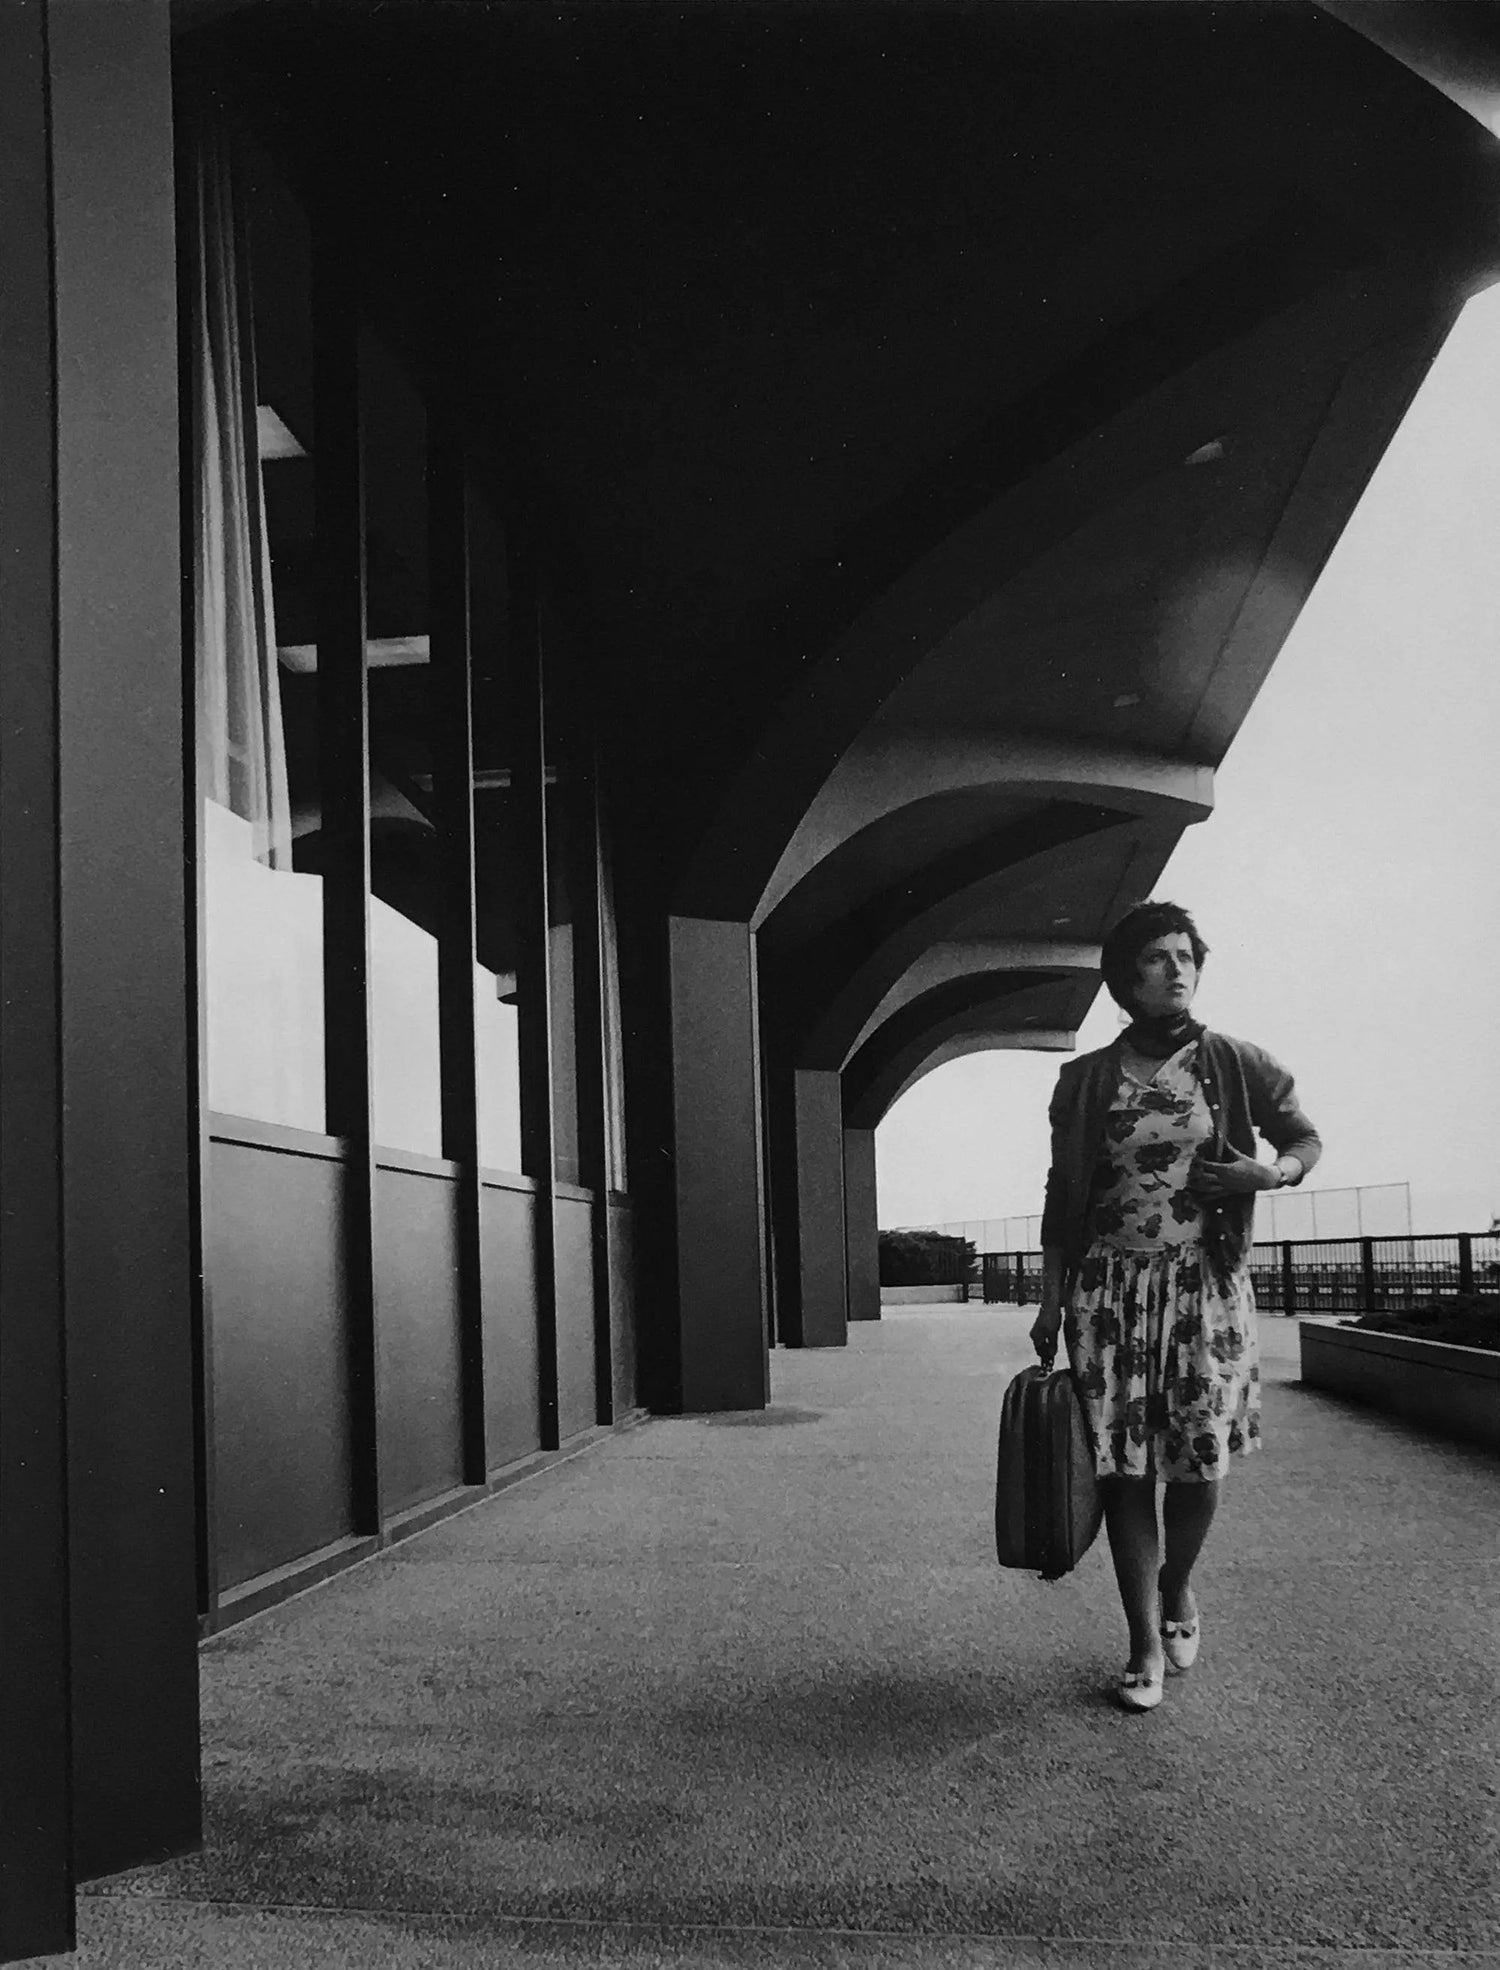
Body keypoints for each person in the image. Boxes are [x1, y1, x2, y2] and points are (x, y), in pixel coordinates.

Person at [1029, 901, 1321, 1711]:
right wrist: (1052, 1301)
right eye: (1158, 957)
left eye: (1187, 954)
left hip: (1204, 1289)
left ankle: (1177, 1585)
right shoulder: (1084, 1079)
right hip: (1109, 1293)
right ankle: (1142, 1643)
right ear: (1126, 977)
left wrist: (1273, 1175)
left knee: (1198, 1462)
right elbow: (1063, 1198)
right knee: (1123, 1473)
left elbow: (1302, 1138)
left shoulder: (1233, 1060)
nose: (1178, 969)